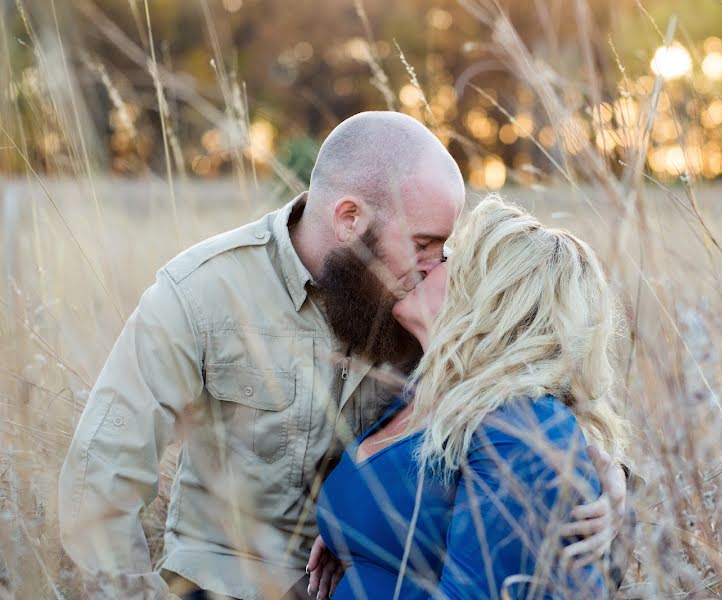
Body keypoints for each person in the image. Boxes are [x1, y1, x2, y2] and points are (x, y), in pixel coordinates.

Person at [58, 112, 627, 600]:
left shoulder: (422, 305)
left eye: (446, 249)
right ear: (350, 219)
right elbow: (100, 479)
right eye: (425, 244)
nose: (437, 264)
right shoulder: (201, 293)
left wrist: (603, 467)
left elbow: (514, 379)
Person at [312, 197, 630, 599]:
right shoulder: (419, 393)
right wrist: (348, 532)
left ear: (490, 297)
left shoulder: (523, 427)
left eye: (450, 258)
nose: (428, 263)